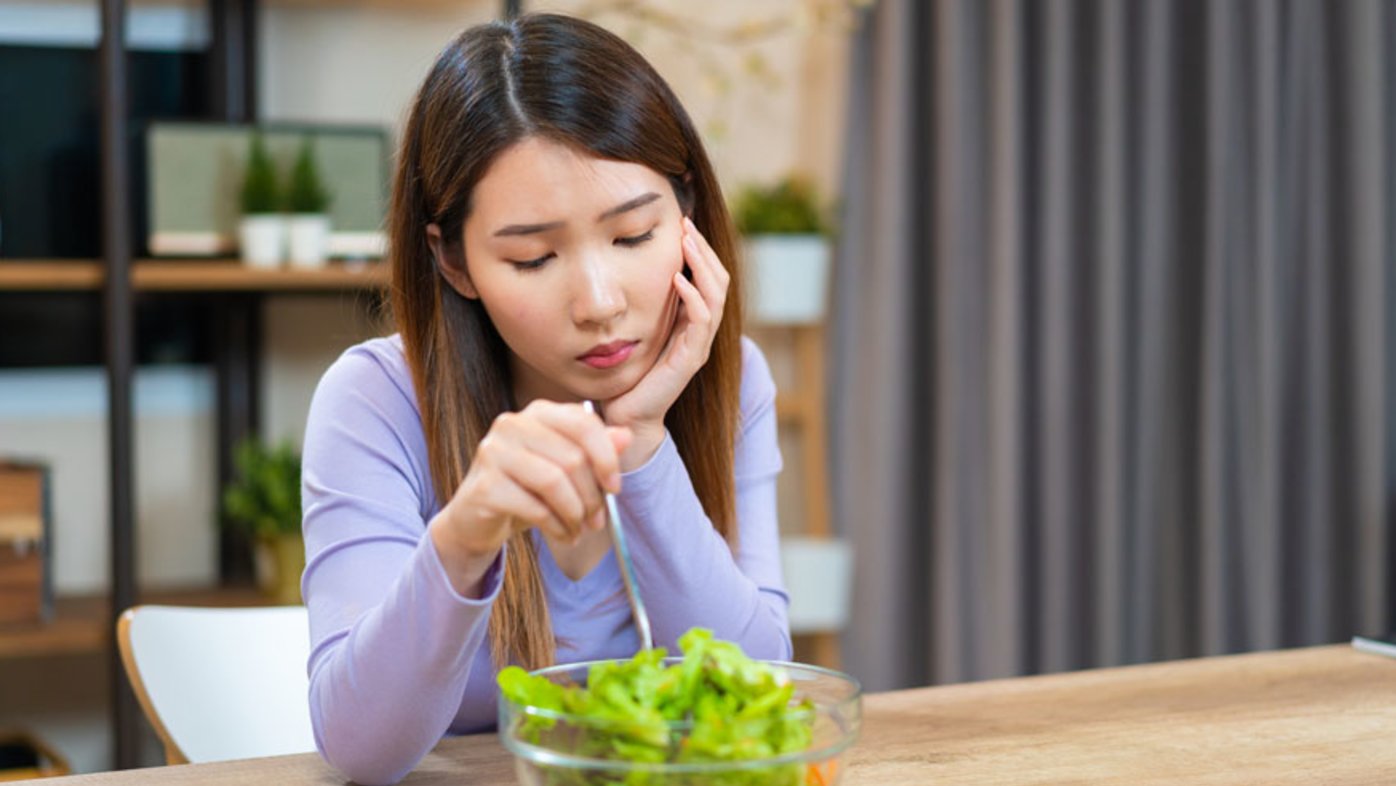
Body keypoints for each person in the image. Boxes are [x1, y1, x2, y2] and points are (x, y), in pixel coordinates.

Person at [299, 12, 790, 786]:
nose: (598, 302)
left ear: (687, 218)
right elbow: (361, 750)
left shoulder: (733, 381)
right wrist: (465, 537)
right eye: (532, 257)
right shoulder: (376, 401)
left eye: (633, 237)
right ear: (454, 261)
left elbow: (759, 693)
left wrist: (643, 442)